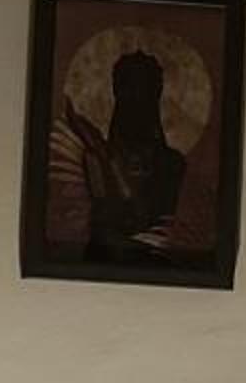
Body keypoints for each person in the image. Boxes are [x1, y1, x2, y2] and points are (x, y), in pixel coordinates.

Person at [53, 47, 185, 264]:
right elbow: (105, 227)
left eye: (143, 90)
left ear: (156, 95)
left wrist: (108, 158)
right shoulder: (94, 159)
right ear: (117, 94)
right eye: (128, 89)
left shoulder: (172, 163)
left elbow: (141, 218)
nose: (135, 99)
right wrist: (104, 155)